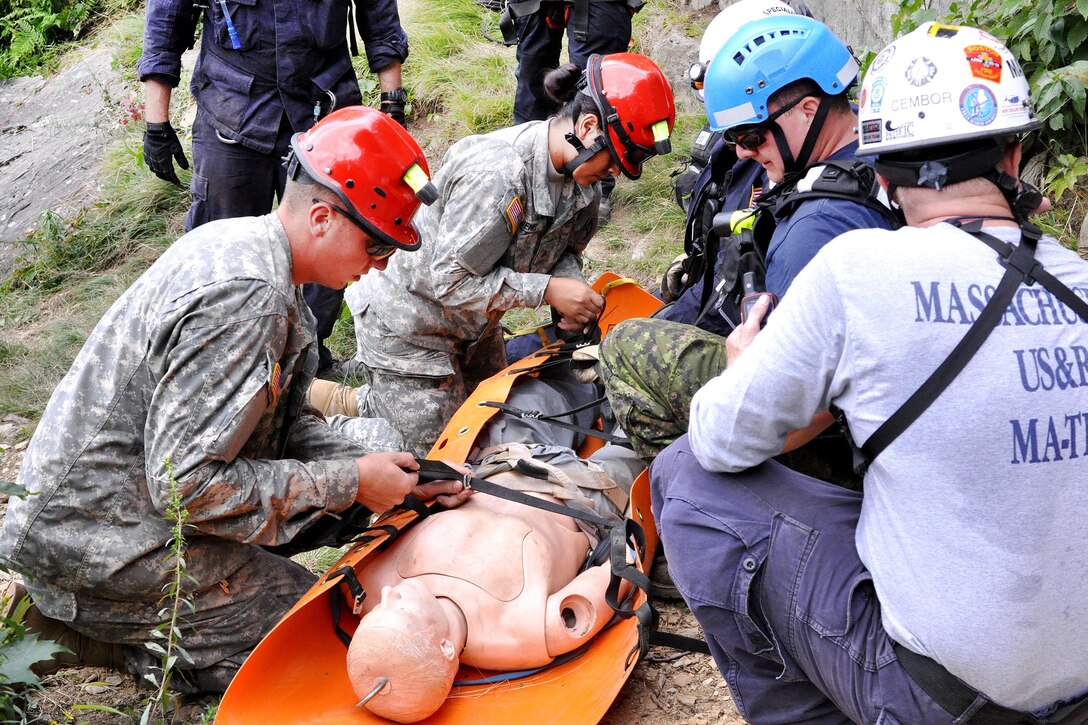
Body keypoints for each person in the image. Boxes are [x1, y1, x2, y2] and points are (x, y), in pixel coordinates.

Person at [652, 23, 1088, 723]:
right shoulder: (1080, 281)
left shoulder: (857, 273)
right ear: (1013, 154)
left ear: (881, 174)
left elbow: (717, 437)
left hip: (939, 700)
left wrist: (744, 366)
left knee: (687, 476)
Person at [0, 107, 471, 693]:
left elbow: (277, 428)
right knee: (324, 635)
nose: (383, 264)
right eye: (377, 246)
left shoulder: (268, 266)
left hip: (134, 505)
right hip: (100, 536)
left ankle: (112, 613)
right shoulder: (249, 297)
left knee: (358, 497)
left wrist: (387, 477)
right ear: (322, 218)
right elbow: (185, 488)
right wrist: (350, 481)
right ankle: (94, 629)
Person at [598, 14, 898, 463]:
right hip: (875, 393)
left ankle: (694, 480)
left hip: (828, 434)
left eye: (751, 135)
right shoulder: (886, 150)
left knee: (623, 345)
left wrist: (741, 375)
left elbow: (786, 405)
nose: (741, 152)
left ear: (809, 109)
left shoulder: (813, 230)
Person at [344, 52, 676, 456]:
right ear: (589, 128)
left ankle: (380, 400)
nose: (615, 175)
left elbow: (566, 251)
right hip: (410, 324)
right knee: (432, 460)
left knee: (488, 424)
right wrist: (548, 291)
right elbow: (448, 281)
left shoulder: (583, 178)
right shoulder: (497, 176)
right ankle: (333, 420)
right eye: (615, 162)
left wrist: (571, 292)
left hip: (475, 326)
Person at [341, 378, 643, 722]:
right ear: (445, 647)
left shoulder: (373, 588)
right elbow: (622, 565)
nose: (391, 594)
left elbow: (359, 577)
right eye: (402, 611)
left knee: (544, 391)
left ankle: (592, 370)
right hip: (587, 492)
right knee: (642, 433)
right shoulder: (522, 633)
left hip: (501, 462)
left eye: (382, 607)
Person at [137, 0, 411, 373]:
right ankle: (220, 360)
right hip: (232, 111)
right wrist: (156, 123)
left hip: (323, 111)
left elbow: (379, 16)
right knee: (220, 246)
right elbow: (167, 20)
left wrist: (392, 106)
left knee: (333, 239)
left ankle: (305, 358)